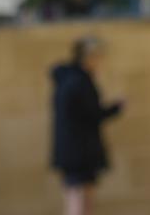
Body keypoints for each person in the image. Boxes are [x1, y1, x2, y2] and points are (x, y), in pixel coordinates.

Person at [50, 36, 123, 215]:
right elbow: (90, 114)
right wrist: (115, 108)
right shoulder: (78, 81)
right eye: (96, 57)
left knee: (84, 197)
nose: (99, 62)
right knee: (78, 199)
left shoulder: (72, 79)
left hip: (77, 151)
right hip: (78, 151)